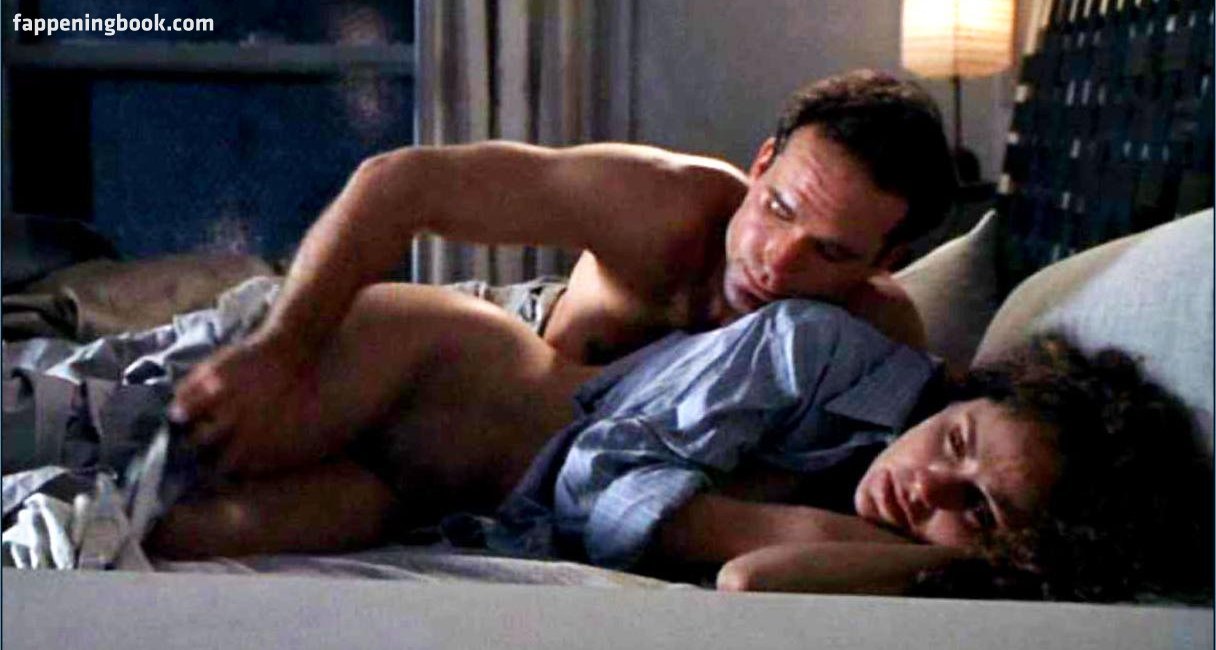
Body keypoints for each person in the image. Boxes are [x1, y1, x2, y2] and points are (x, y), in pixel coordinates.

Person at [150, 286, 1211, 602]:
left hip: (440, 503)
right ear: (961, 392)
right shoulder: (815, 352)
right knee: (137, 438)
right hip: (438, 375)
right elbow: (598, 473)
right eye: (958, 440)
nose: (928, 483)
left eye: (976, 506)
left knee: (149, 548)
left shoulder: (915, 559)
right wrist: (927, 537)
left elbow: (748, 581)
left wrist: (943, 558)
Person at [168, 69, 957, 474]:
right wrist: (282, 348)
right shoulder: (661, 205)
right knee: (207, 400)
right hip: (506, 331)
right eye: (778, 209)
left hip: (508, 469)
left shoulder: (876, 334)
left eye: (831, 252)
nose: (777, 264)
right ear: (760, 165)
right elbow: (401, 183)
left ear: (886, 263)